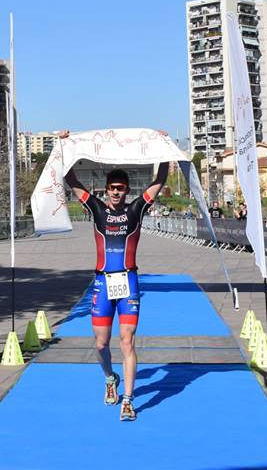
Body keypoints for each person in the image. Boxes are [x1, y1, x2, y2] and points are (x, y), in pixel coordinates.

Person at [60, 138, 168, 422]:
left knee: (127, 341)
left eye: (121, 188)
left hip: (128, 282)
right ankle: (110, 378)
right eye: (112, 188)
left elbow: (160, 179)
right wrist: (64, 146)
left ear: (127, 190)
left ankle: (128, 401)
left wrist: (163, 146)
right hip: (102, 283)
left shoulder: (136, 210)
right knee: (100, 344)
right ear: (106, 190)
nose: (117, 192)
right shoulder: (97, 209)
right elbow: (71, 179)